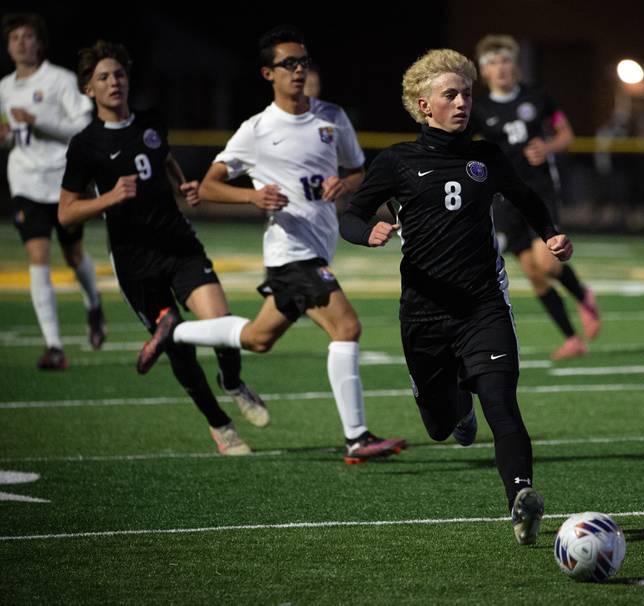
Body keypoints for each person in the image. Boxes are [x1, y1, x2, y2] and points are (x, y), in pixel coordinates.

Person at [137, 26, 405, 465]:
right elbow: (208, 185)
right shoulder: (257, 130)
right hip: (290, 253)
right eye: (289, 64)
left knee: (258, 339)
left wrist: (347, 183)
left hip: (318, 248)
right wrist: (252, 196)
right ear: (268, 73)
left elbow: (358, 170)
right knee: (347, 328)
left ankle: (174, 331)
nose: (299, 70)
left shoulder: (332, 118)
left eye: (304, 62)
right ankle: (357, 437)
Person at [338, 49, 574, 545]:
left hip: (483, 304)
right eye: (450, 95)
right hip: (424, 313)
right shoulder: (397, 161)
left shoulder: (485, 157)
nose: (462, 102)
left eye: (466, 93)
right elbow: (348, 213)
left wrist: (552, 233)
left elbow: (528, 197)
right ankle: (456, 409)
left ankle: (521, 497)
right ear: (424, 105)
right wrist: (368, 232)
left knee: (502, 402)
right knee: (441, 426)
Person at [59, 40, 267, 456]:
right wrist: (109, 198)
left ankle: (232, 381)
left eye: (119, 73)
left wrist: (182, 184)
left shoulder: (150, 122)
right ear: (88, 89)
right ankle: (220, 425)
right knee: (178, 348)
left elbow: (162, 156)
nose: (114, 81)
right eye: (103, 77)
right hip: (135, 260)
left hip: (179, 244)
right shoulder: (86, 145)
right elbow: (66, 213)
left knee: (220, 322)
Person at [471, 34, 599, 360]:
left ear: (514, 65)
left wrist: (549, 147)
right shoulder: (479, 108)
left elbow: (565, 134)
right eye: (491, 63)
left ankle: (583, 294)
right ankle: (572, 339)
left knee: (548, 264)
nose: (499, 68)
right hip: (502, 197)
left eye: (504, 60)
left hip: (538, 190)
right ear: (482, 71)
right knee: (531, 273)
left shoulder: (537, 96)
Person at [1, 13, 105, 369]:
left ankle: (94, 305)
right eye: (15, 37)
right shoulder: (4, 87)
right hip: (26, 182)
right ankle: (55, 346)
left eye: (27, 36)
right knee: (37, 257)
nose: (20, 43)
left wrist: (37, 121)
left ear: (39, 42)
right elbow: (13, 135)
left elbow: (83, 126)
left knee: (74, 257)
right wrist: (7, 137)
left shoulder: (60, 80)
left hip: (63, 181)